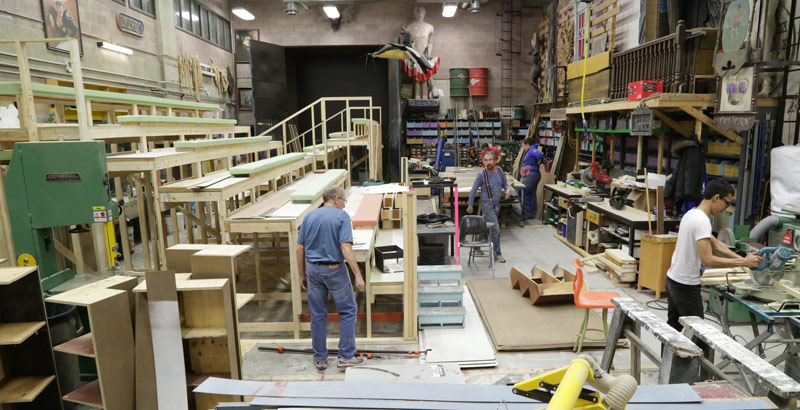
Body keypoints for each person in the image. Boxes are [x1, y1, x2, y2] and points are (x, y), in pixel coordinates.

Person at [665, 179, 761, 331]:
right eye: (727, 203)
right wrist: (744, 263)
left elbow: (716, 244)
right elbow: (708, 259)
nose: (726, 208)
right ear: (716, 197)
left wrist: (743, 259)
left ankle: (667, 356)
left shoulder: (692, 214)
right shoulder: (701, 221)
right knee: (699, 335)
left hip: (673, 279)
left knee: (672, 330)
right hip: (685, 286)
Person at [296, 186, 365, 370]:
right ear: (336, 199)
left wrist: (302, 273)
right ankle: (345, 356)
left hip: (312, 269)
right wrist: (358, 275)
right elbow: (345, 247)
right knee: (348, 311)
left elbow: (299, 248)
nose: (344, 205)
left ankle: (320, 358)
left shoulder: (309, 216)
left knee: (318, 314)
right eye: (344, 201)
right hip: (334, 269)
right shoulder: (341, 217)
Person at [467, 150, 511, 263]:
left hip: (497, 204)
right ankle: (498, 254)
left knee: (487, 227)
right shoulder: (482, 174)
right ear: (483, 161)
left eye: (490, 159)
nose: (488, 162)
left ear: (495, 160)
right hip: (487, 204)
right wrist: (470, 204)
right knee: (496, 229)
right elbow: (473, 190)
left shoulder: (500, 171)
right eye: (486, 160)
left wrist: (508, 189)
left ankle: (476, 246)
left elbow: (505, 183)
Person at [520, 138, 544, 219]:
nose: (524, 148)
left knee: (524, 191)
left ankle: (526, 213)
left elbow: (539, 155)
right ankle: (532, 213)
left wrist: (540, 160)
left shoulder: (532, 149)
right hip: (535, 174)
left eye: (524, 146)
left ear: (527, 144)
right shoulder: (532, 150)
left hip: (532, 174)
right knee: (532, 194)